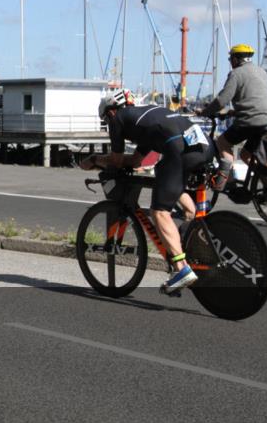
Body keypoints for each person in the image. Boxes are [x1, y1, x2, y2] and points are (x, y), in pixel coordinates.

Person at [81, 88, 212, 294]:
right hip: (203, 146)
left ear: (111, 111)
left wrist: (95, 160)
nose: (108, 124)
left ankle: (181, 268)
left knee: (160, 212)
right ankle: (191, 238)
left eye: (106, 119)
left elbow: (116, 161)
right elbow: (135, 161)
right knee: (172, 187)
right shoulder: (146, 116)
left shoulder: (118, 119)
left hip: (178, 151)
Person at [199, 44, 267, 190]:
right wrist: (233, 112)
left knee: (222, 142)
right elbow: (256, 102)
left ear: (236, 59)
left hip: (252, 121)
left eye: (231, 58)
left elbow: (221, 100)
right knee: (246, 155)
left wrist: (205, 112)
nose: (230, 61)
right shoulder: (261, 72)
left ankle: (226, 182)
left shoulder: (236, 74)